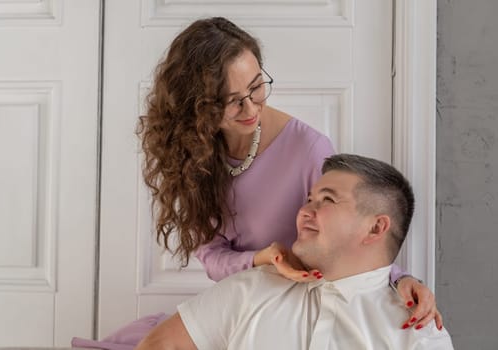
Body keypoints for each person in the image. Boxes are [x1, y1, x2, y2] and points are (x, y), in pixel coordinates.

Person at [137, 16, 440, 328]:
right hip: (241, 309)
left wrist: (400, 280)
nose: (252, 109)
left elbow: (349, 236)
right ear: (197, 108)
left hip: (301, 316)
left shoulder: (308, 148)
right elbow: (212, 256)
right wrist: (263, 259)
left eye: (256, 87)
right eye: (231, 102)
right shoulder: (193, 153)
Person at [135, 154, 454, 350]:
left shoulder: (417, 334)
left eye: (327, 200)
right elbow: (161, 345)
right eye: (309, 199)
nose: (303, 212)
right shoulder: (254, 287)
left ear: (375, 228)